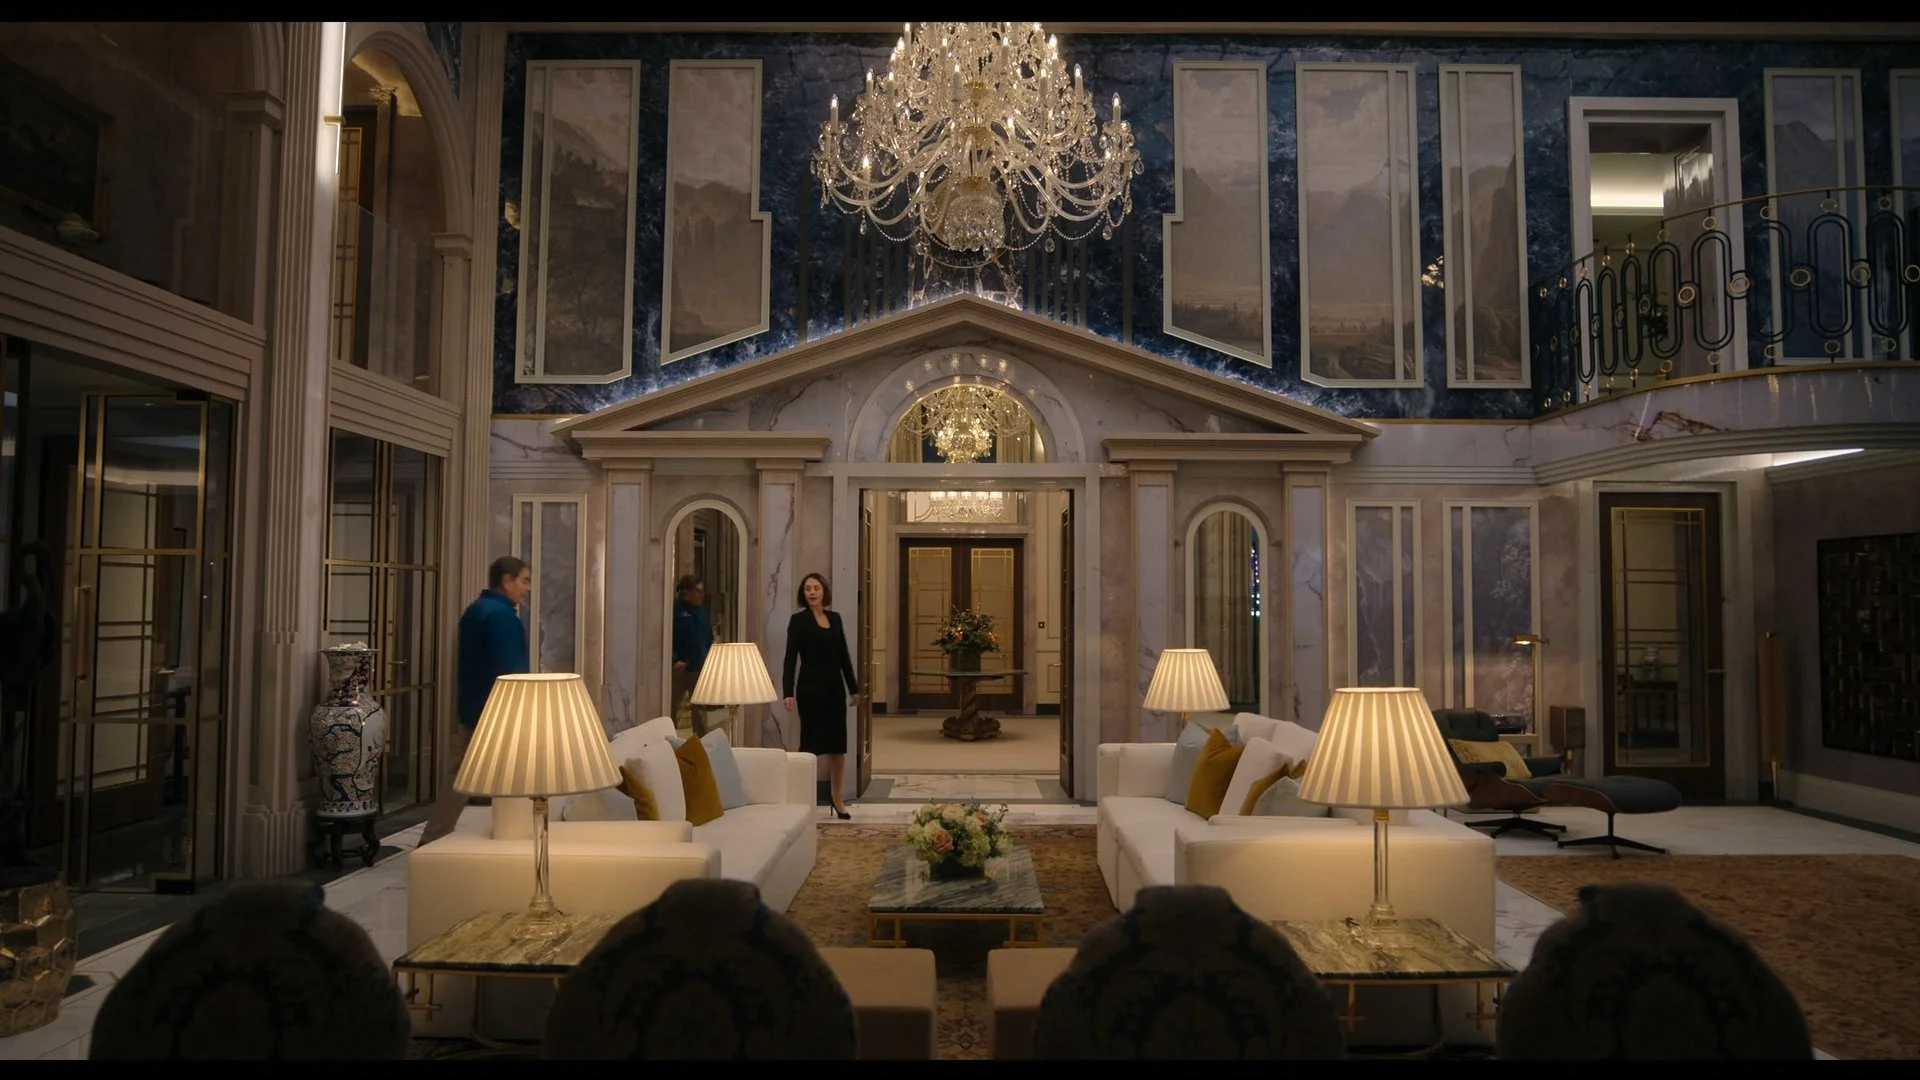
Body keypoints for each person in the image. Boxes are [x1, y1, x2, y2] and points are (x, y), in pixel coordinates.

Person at [420, 555, 532, 845]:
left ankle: (434, 839)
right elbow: (512, 672)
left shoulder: (478, 609)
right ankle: (513, 837)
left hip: (474, 708)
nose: (527, 588)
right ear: (506, 580)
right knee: (511, 777)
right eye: (524, 580)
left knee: (460, 777)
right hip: (497, 712)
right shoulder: (500, 616)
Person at [782, 572, 861, 820]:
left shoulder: (835, 619)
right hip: (809, 690)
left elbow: (843, 656)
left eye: (816, 588)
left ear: (824, 591)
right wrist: (787, 692)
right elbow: (790, 658)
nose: (812, 592)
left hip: (834, 690)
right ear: (803, 594)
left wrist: (854, 687)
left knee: (838, 746)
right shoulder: (798, 621)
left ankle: (837, 798)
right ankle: (804, 799)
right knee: (811, 745)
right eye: (808, 589)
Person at [671, 574, 714, 735]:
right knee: (672, 705)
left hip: (699, 667)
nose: (701, 595)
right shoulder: (676, 612)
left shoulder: (702, 612)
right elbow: (668, 638)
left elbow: (706, 636)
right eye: (697, 592)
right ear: (686, 593)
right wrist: (674, 659)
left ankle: (702, 740)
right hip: (680, 668)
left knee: (700, 708)